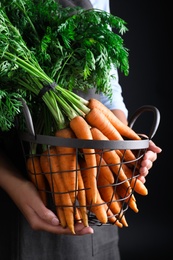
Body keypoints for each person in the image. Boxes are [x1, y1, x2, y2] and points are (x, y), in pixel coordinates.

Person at [0, 0, 162, 259]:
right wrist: (14, 183)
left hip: (93, 182)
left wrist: (123, 143)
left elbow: (108, 92)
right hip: (14, 183)